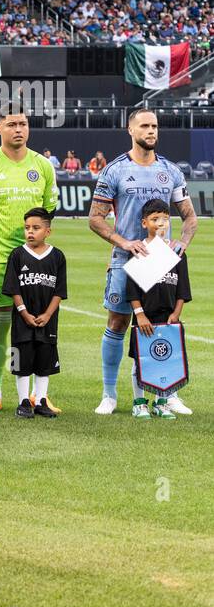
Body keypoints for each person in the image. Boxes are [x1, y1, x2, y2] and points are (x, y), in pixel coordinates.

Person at [88, 109, 197, 415]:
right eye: (145, 126)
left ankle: (168, 392)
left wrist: (182, 245)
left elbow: (189, 217)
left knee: (165, 325)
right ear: (130, 130)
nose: (151, 131)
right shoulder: (114, 171)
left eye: (154, 126)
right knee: (118, 323)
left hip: (161, 263)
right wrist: (124, 243)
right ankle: (109, 394)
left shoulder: (171, 171)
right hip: (126, 261)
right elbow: (95, 219)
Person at [0, 112, 59, 413]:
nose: (18, 129)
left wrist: (31, 246)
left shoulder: (42, 165)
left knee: (38, 325)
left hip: (36, 261)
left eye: (23, 124)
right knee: (1, 323)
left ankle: (37, 395)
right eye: (12, 124)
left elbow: (48, 213)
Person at [125, 198, 192, 419]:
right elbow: (132, 289)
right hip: (145, 316)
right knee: (141, 360)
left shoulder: (177, 252)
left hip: (168, 317)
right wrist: (139, 314)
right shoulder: (139, 250)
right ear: (144, 223)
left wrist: (176, 313)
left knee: (164, 361)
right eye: (154, 219)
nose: (160, 223)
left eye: (164, 219)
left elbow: (183, 288)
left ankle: (161, 403)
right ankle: (139, 402)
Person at [2, 207, 66, 420]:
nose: (30, 232)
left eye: (36, 228)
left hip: (48, 320)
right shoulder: (18, 255)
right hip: (23, 320)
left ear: (48, 231)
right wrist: (24, 313)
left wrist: (48, 315)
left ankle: (40, 401)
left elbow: (59, 290)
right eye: (27, 228)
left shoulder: (57, 256)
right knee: (22, 361)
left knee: (44, 361)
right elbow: (13, 288)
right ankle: (22, 402)